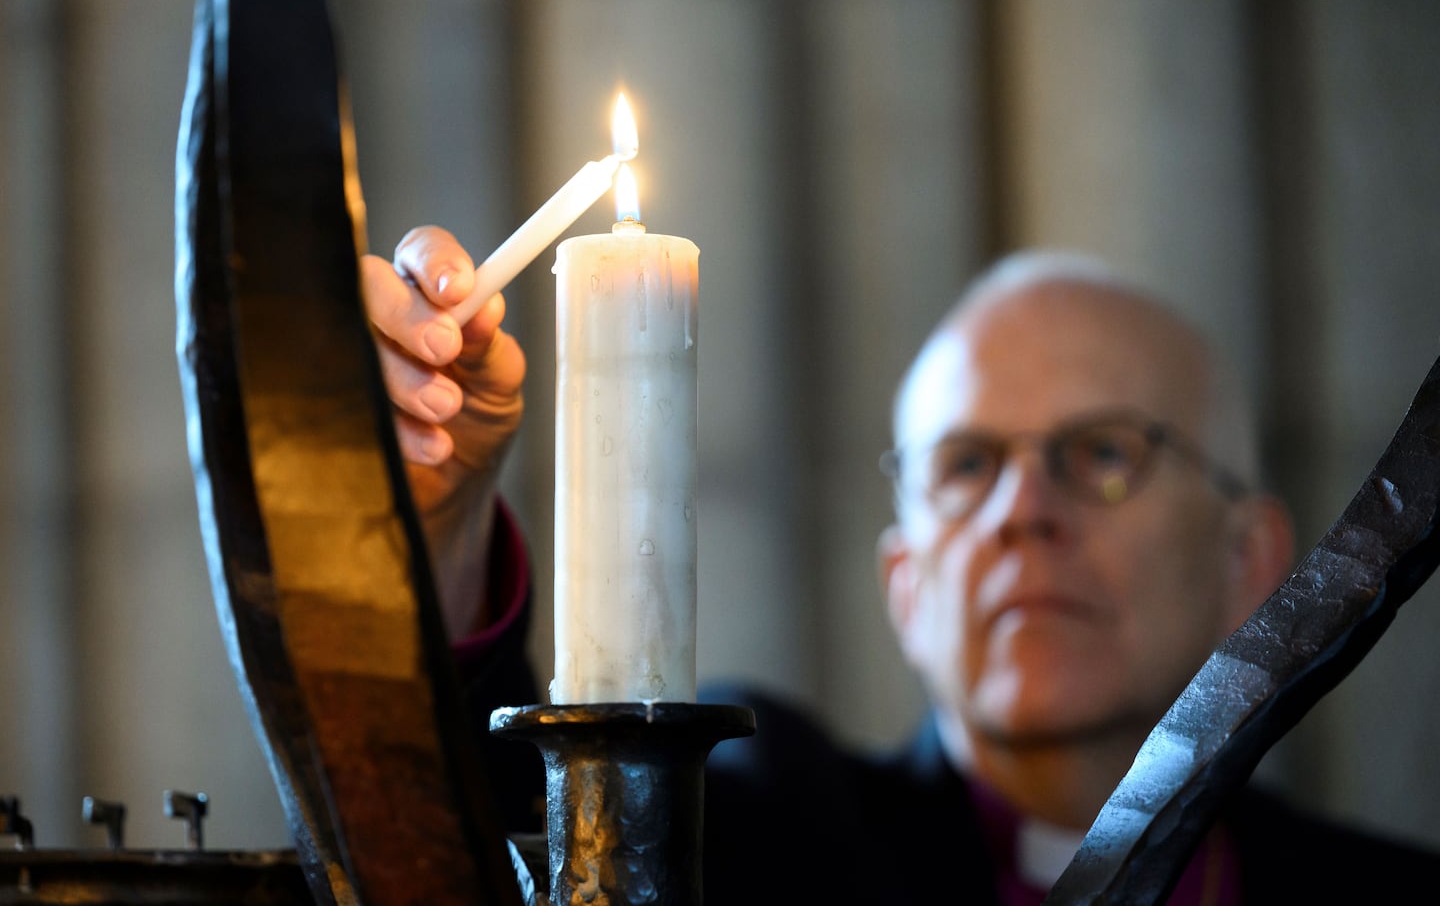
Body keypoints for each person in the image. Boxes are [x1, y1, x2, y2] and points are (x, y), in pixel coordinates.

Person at [361, 226, 1440, 903]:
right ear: (907, 589)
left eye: (1104, 452)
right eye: (968, 465)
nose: (1023, 513)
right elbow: (510, 841)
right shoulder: (758, 833)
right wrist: (444, 530)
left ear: (1255, 562)